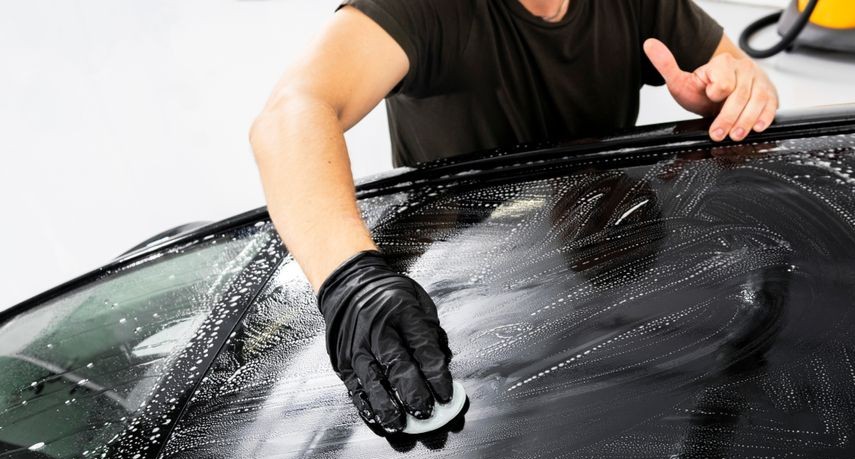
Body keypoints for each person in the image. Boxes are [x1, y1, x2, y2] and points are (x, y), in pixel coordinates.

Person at [249, 0, 780, 435]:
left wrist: (731, 96)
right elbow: (291, 110)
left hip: (602, 261)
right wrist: (350, 278)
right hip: (459, 290)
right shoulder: (424, 9)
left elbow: (736, 76)